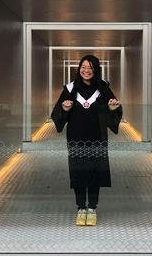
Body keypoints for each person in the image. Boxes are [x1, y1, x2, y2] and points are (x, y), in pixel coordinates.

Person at [51, 55, 122, 226]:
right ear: (79, 69)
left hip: (97, 137)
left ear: (96, 69)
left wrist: (112, 108)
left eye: (90, 67)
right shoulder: (70, 89)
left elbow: (113, 110)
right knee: (79, 171)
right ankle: (81, 207)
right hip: (77, 138)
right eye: (83, 67)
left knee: (95, 172)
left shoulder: (103, 89)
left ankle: (92, 208)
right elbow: (57, 113)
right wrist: (64, 109)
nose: (86, 70)